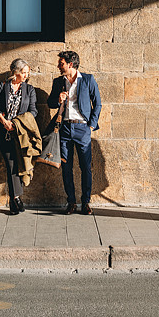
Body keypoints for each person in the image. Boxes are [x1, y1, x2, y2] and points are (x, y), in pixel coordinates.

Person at [47, 50, 102, 215]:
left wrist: (90, 125)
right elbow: (50, 103)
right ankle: (71, 202)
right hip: (64, 129)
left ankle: (86, 202)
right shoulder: (58, 82)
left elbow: (97, 103)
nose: (58, 66)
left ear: (70, 64)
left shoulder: (87, 79)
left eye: (61, 63)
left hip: (82, 129)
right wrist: (58, 99)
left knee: (85, 167)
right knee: (66, 167)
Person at [0, 58, 37, 215]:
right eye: (24, 73)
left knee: (20, 164)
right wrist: (4, 121)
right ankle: (15, 199)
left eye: (27, 73)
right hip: (4, 132)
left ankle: (16, 198)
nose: (26, 76)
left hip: (20, 133)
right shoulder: (2, 87)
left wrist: (17, 122)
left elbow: (33, 111)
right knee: (11, 164)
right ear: (16, 72)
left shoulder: (29, 90)